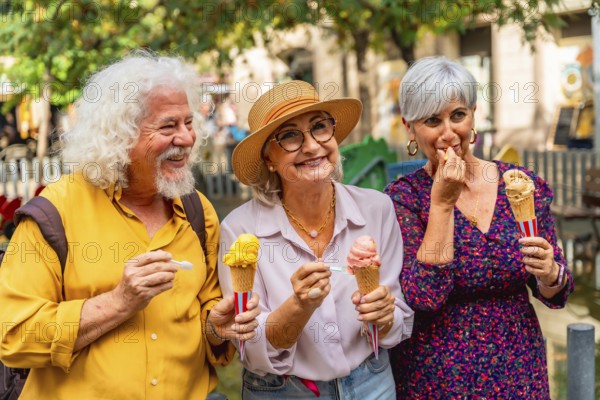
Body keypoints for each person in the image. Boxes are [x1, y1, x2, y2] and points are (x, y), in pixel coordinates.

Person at [0, 52, 260, 399]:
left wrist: (216, 327)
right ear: (118, 136)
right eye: (167, 126)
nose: (186, 138)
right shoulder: (55, 214)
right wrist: (119, 302)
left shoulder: (199, 212)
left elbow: (206, 317)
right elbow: (14, 336)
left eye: (188, 122)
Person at [384, 56, 574, 399]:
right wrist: (441, 203)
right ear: (410, 128)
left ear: (473, 115)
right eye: (431, 120)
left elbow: (557, 291)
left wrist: (550, 274)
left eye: (458, 115)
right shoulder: (402, 200)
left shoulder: (520, 185)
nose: (448, 132)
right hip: (436, 378)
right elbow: (425, 296)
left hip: (519, 370)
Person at [217, 80, 414, 399]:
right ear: (269, 157)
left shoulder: (377, 209)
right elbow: (250, 345)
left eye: (320, 127)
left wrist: (384, 315)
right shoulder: (239, 231)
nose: (311, 146)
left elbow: (396, 321)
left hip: (371, 382)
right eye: (290, 135)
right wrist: (299, 305)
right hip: (282, 390)